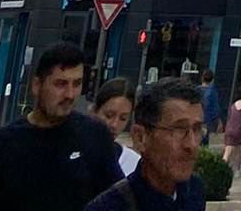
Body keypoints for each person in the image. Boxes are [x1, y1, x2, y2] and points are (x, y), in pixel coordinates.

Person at [0, 40, 122, 211]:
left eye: (77, 84)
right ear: (37, 85)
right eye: (60, 84)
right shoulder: (3, 143)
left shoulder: (95, 136)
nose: (70, 94)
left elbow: (118, 199)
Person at [84, 79, 205, 210]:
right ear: (140, 137)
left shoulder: (194, 191)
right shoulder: (109, 206)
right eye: (179, 130)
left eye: (197, 129)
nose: (191, 144)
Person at [90, 84, 139, 178]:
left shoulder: (133, 162)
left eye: (123, 118)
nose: (114, 125)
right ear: (94, 111)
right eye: (109, 116)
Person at [221, 85, 241, 172]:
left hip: (229, 129)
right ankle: (222, 168)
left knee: (236, 149)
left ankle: (238, 167)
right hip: (238, 130)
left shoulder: (233, 105)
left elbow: (229, 117)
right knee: (229, 151)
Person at [196, 74, 220, 149]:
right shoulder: (212, 91)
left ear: (202, 78)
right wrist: (218, 121)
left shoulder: (196, 90)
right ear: (212, 80)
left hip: (196, 117)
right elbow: (215, 108)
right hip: (207, 121)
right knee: (204, 142)